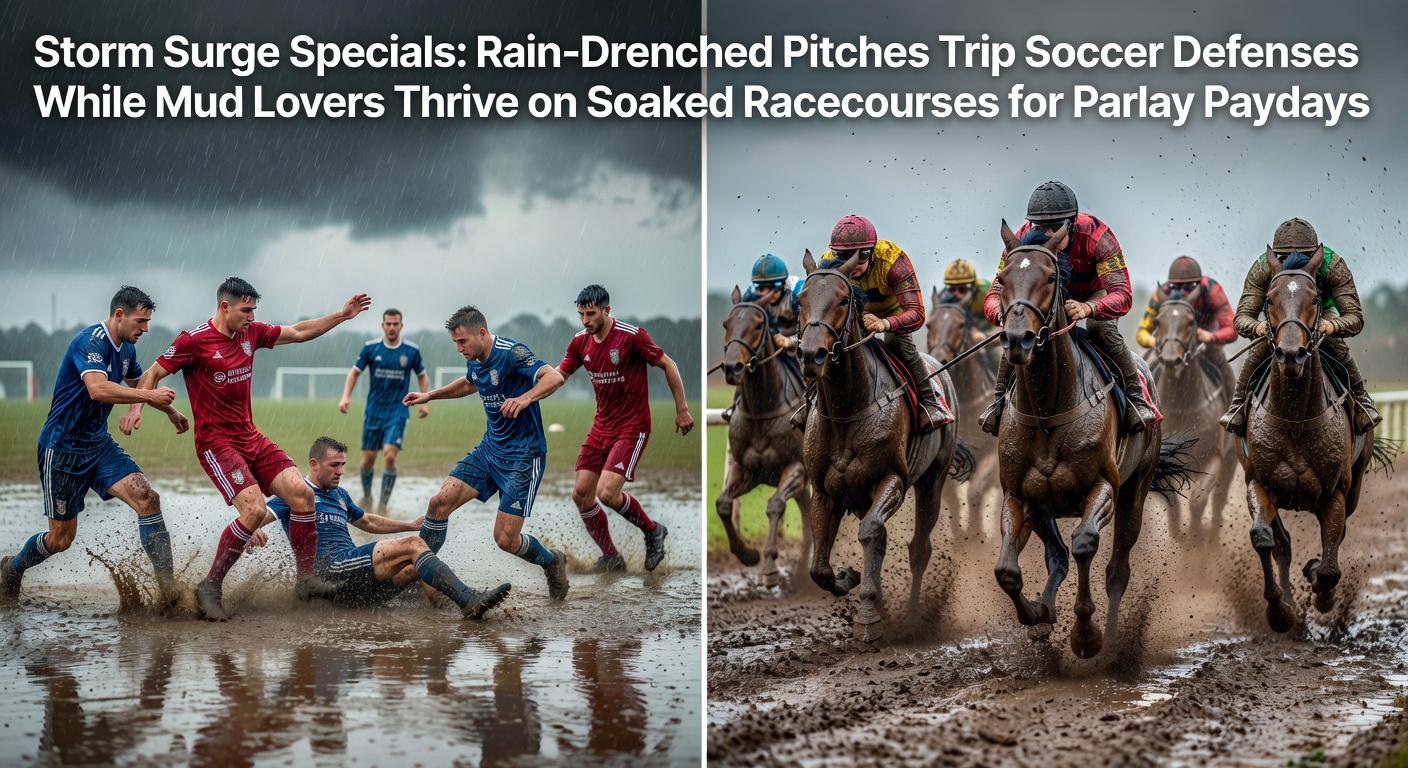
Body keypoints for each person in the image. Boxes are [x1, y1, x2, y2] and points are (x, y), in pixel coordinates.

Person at [125, 277, 372, 621]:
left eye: (255, 310)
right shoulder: (193, 341)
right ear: (225, 307)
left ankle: (306, 581)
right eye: (246, 310)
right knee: (254, 511)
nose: (252, 317)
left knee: (302, 495)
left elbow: (299, 332)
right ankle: (210, 585)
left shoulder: (251, 334)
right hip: (216, 443)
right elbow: (151, 375)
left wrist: (342, 315)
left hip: (251, 437)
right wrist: (138, 407)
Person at [1, 287, 184, 604]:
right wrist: (149, 397)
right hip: (62, 449)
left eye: (148, 321)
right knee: (60, 540)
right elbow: (98, 389)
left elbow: (138, 382)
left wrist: (168, 410)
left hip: (98, 445)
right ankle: (12, 571)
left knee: (147, 497)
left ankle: (169, 593)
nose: (145, 328)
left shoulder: (126, 350)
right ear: (119, 315)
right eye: (141, 321)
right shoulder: (90, 342)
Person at [402, 306, 571, 601]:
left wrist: (524, 397)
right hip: (490, 449)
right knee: (438, 503)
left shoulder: (511, 352)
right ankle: (418, 573)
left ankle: (551, 561)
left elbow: (555, 377)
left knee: (505, 539)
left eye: (462, 341)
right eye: (455, 342)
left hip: (523, 455)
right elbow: (471, 383)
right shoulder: (475, 359)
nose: (459, 348)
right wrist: (431, 395)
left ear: (481, 333)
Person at [980, 181, 1160, 435]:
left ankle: (1135, 397)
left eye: (1057, 227)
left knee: (1102, 328)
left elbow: (1122, 294)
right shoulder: (1021, 241)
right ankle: (998, 402)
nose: (1049, 233)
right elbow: (995, 294)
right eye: (1042, 227)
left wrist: (1089, 308)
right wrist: (1002, 314)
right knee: (1017, 329)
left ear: (1072, 223)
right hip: (1042, 295)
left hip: (1092, 295)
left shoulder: (1098, 236)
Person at [261, 436, 510, 619]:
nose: (341, 471)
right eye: (334, 465)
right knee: (414, 546)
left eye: (343, 464)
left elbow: (367, 521)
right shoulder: (295, 494)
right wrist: (252, 531)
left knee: (415, 564)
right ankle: (468, 600)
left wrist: (410, 524)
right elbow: (259, 515)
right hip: (329, 570)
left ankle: (447, 606)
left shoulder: (340, 494)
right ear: (314, 464)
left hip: (356, 579)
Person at [558, 285, 694, 573]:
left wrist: (681, 409)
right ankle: (612, 557)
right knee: (581, 495)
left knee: (607, 493)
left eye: (591, 314)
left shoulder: (632, 337)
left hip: (632, 427)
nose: (585, 320)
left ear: (607, 310)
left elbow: (668, 365)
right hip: (601, 426)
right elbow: (559, 375)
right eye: (581, 314)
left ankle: (653, 530)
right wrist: (529, 391)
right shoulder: (579, 342)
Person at [1220, 218, 1382, 435]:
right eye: (1284, 258)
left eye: (1303, 258)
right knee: (1260, 348)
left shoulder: (1332, 264)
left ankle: (1362, 401)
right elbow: (1242, 318)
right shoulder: (1262, 267)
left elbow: (1354, 316)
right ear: (1276, 256)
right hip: (1279, 313)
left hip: (1318, 309)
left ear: (1315, 254)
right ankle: (1238, 405)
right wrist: (1259, 328)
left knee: (1336, 346)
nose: (1292, 262)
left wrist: (1330, 326)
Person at [797, 214, 945, 434]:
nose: (853, 263)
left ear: (872, 251)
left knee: (902, 347)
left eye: (861, 255)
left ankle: (929, 403)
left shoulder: (893, 260)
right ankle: (808, 401)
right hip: (851, 314)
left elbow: (917, 313)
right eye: (843, 256)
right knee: (822, 345)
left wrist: (885, 323)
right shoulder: (826, 262)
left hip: (891, 314)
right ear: (834, 253)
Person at [337, 308, 428, 512]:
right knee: (367, 460)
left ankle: (383, 504)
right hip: (374, 411)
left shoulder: (411, 351)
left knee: (389, 455)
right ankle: (368, 497)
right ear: (383, 325)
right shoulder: (371, 348)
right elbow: (354, 373)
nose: (392, 327)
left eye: (396, 324)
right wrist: (345, 397)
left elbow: (422, 375)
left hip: (398, 411)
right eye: (388, 323)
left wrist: (424, 401)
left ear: (401, 326)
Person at [720, 254, 802, 423]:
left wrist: (792, 342)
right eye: (760, 287)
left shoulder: (799, 293)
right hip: (775, 333)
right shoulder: (751, 294)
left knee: (809, 363)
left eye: (773, 287)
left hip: (800, 330)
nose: (765, 293)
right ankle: (737, 403)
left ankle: (811, 404)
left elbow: (812, 330)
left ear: (783, 284)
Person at [1135, 256, 1237, 387]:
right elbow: (1142, 332)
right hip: (1171, 343)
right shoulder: (1161, 293)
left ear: (1199, 284)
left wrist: (1211, 336)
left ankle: (1234, 405)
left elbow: (1233, 329)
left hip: (1207, 345)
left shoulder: (1213, 290)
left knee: (1223, 367)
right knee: (1150, 369)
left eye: (1190, 286)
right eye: (1176, 286)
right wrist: (1156, 341)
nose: (1183, 291)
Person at [938, 258, 995, 337]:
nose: (957, 294)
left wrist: (986, 337)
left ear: (973, 287)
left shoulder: (987, 292)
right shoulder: (943, 297)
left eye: (962, 289)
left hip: (989, 330)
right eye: (952, 289)